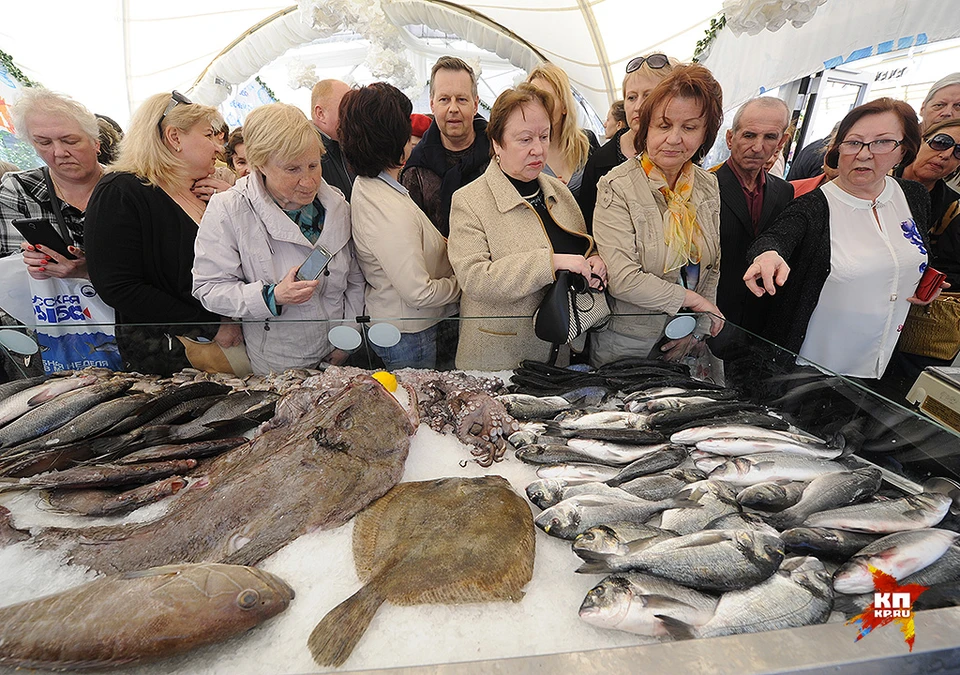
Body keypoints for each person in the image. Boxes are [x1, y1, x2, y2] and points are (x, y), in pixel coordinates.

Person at [744, 97, 937, 381]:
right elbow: (777, 238)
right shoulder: (814, 206)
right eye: (854, 142)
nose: (864, 154)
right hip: (812, 368)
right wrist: (767, 255)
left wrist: (922, 281)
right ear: (838, 147)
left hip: (882, 361)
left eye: (882, 142)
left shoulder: (913, 196)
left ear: (903, 150)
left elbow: (911, 254)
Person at [192, 103, 364, 375]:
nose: (308, 181)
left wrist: (348, 335)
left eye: (313, 165)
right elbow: (209, 288)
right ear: (259, 164)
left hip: (339, 352)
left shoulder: (337, 206)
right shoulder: (229, 210)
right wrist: (271, 295)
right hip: (280, 361)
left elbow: (355, 278)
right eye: (292, 170)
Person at [448, 84, 606, 371]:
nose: (538, 148)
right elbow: (476, 279)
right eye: (524, 139)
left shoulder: (559, 191)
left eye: (544, 136)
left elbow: (582, 245)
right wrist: (551, 263)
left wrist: (594, 260)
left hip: (557, 356)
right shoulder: (469, 201)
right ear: (497, 143)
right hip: (498, 361)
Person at [84, 91, 237, 375]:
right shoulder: (121, 191)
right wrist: (208, 325)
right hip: (169, 357)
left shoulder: (202, 188)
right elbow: (119, 286)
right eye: (209, 135)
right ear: (174, 137)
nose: (219, 147)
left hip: (223, 346)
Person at [590, 64, 725, 366]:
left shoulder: (708, 186)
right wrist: (693, 302)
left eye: (689, 128)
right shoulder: (617, 185)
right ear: (645, 127)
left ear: (706, 134)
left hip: (685, 343)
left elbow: (712, 266)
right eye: (663, 126)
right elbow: (623, 279)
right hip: (625, 350)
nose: (674, 139)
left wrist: (697, 329)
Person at [341, 84, 460, 370]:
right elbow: (418, 292)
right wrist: (465, 285)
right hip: (409, 335)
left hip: (405, 328)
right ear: (394, 137)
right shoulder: (386, 207)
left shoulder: (373, 185)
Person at [0, 88, 102, 281]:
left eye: (70, 141)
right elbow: (11, 274)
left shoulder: (129, 187)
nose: (59, 152)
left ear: (96, 143)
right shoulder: (18, 190)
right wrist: (28, 262)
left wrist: (90, 272)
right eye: (44, 143)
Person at [887, 117, 960, 382]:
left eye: (958, 152)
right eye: (941, 142)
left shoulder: (953, 208)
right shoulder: (876, 178)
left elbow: (954, 271)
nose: (946, 155)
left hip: (911, 327)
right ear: (921, 140)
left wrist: (931, 280)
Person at [713, 97, 794, 337]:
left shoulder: (784, 191)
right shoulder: (704, 186)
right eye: (749, 135)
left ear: (781, 142)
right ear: (730, 138)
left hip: (761, 323)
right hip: (712, 318)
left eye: (770, 137)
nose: (758, 147)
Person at [578, 54, 678, 230]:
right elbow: (587, 225)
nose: (638, 106)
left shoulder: (679, 153)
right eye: (631, 97)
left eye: (648, 95)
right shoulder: (600, 161)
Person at [401, 56, 490, 236]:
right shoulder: (416, 172)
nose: (453, 108)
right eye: (444, 99)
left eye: (461, 99)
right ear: (432, 104)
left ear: (475, 105)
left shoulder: (498, 154)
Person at [526, 63, 598, 198]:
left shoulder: (587, 143)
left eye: (546, 99)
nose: (539, 107)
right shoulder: (522, 151)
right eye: (532, 100)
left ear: (564, 106)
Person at [311, 79, 355, 201]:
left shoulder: (346, 144)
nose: (352, 114)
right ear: (321, 113)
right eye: (346, 107)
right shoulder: (309, 151)